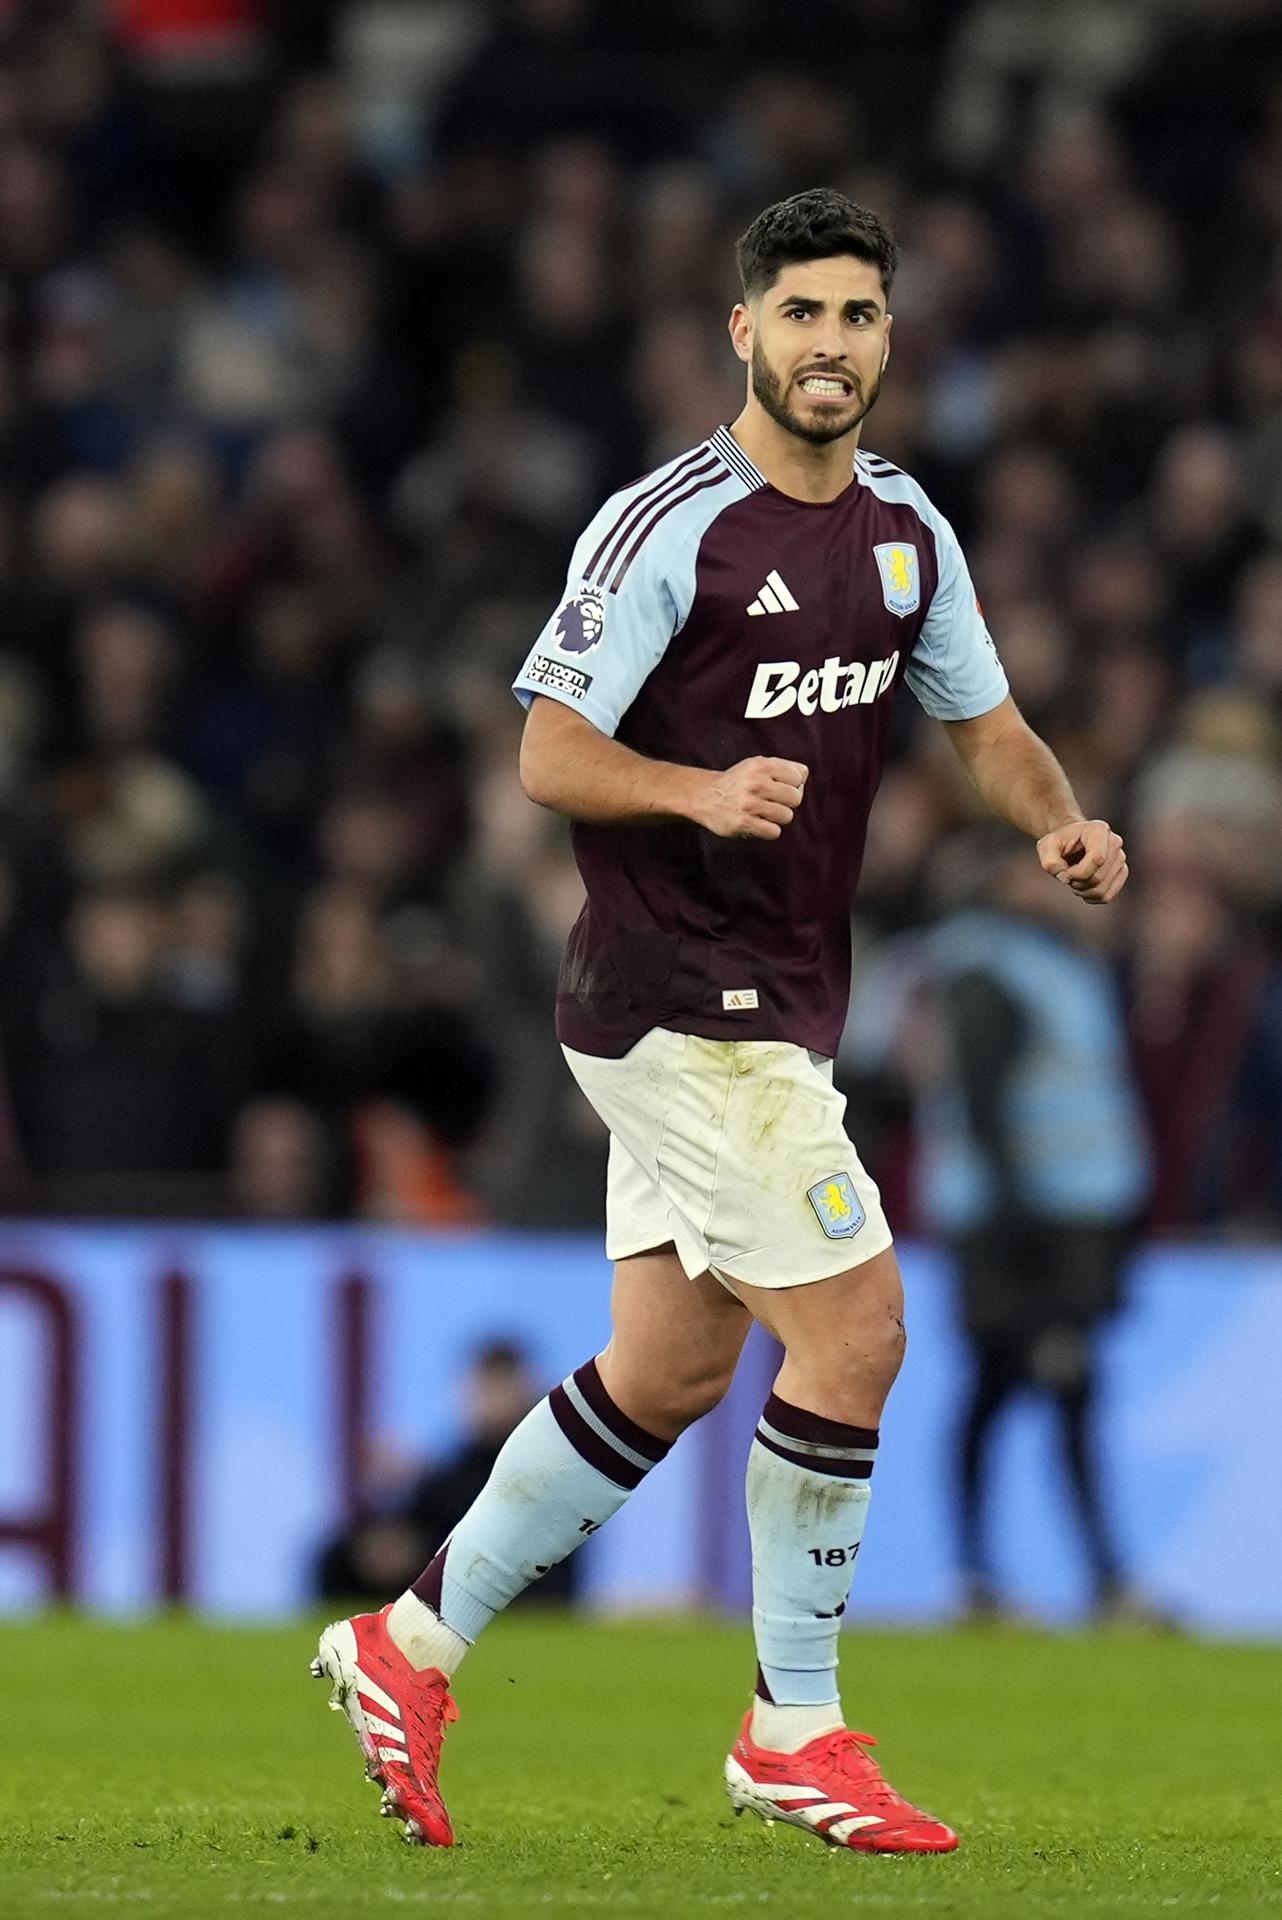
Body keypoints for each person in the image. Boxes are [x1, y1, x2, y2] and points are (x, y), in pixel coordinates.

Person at [311, 188, 1129, 1855]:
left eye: (859, 316)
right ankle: (792, 1725)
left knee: (670, 1367)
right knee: (859, 1332)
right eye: (801, 314)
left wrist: (1052, 820)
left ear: (891, 339)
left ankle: (408, 1642)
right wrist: (696, 787)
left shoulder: (905, 531)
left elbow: (986, 725)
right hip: (677, 998)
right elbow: (546, 749)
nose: (830, 345)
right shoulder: (666, 523)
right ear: (740, 332)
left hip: (776, 1005)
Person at [917, 841, 1152, 1624]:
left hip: (1068, 1215)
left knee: (1013, 1389)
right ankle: (1095, 1579)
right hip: (1021, 1223)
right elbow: (981, 1105)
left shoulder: (1052, 962)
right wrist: (1017, 1219)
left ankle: (991, 1577)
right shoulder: (990, 966)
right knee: (1056, 1382)